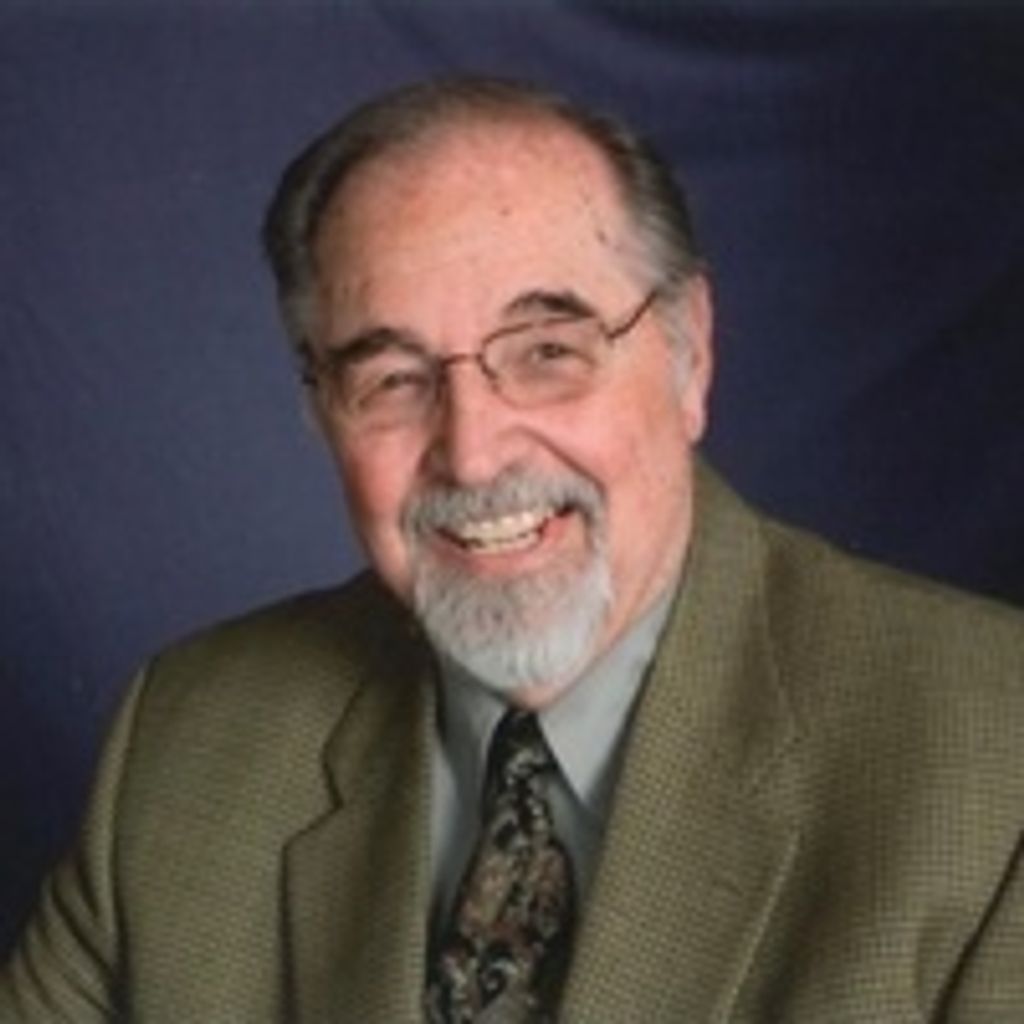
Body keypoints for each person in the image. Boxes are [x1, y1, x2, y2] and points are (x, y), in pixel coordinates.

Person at [2, 75, 1023, 1023]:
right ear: (319, 408)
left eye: (546, 352)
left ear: (690, 351)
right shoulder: (184, 748)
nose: (474, 451)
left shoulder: (992, 772)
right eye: (393, 379)